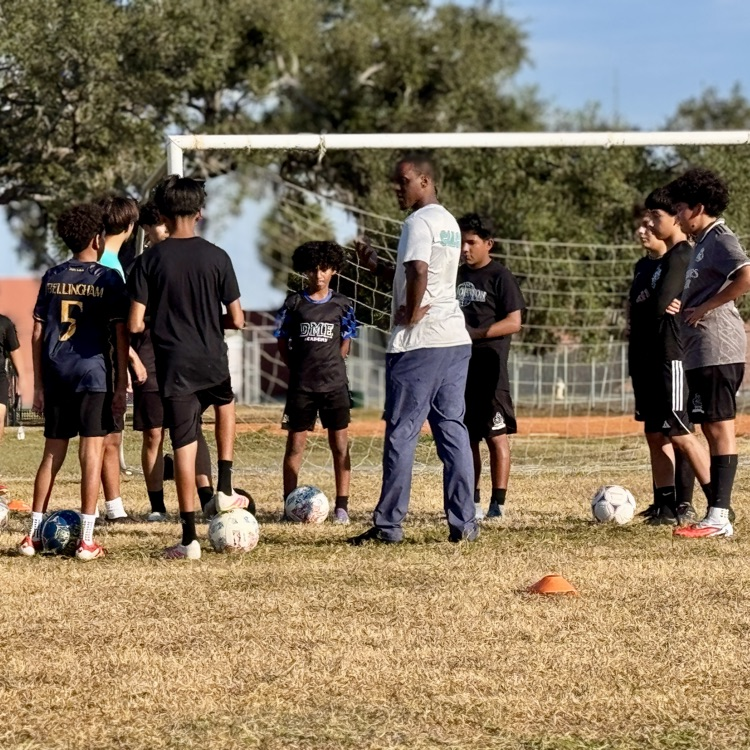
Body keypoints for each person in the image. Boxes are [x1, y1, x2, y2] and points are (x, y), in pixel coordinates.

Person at [349, 153, 478, 544]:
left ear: (424, 180)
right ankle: (464, 524)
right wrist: (378, 269)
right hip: (454, 340)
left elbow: (418, 271)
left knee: (402, 433)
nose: (396, 188)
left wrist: (408, 313)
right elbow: (421, 272)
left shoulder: (418, 222)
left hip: (419, 345)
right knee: (452, 432)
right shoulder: (449, 222)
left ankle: (388, 526)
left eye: (402, 181)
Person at [128, 175, 246, 559]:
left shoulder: (148, 261)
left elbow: (133, 323)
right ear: (200, 212)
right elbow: (239, 319)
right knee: (225, 404)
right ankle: (225, 487)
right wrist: (211, 324)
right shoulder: (218, 256)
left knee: (183, 442)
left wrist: (160, 321)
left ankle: (189, 537)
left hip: (174, 365)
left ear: (161, 213)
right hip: (213, 357)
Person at [19, 203, 128, 560]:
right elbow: (120, 332)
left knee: (52, 452)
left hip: (56, 373)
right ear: (98, 238)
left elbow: (37, 331)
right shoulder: (107, 279)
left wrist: (37, 383)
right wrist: (121, 377)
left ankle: (31, 537)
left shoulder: (52, 276)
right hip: (92, 373)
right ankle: (86, 539)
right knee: (91, 452)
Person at [665, 168, 750, 539]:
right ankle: (718, 513)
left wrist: (706, 308)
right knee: (713, 427)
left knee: (719, 429)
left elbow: (746, 275)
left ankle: (719, 516)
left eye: (681, 208)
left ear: (699, 207)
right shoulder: (702, 242)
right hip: (703, 350)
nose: (678, 216)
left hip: (719, 347)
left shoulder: (720, 237)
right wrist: (689, 304)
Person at [629, 193, 712, 526]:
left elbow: (661, 302)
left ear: (676, 218)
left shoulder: (682, 256)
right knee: (655, 433)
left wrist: (656, 302)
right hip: (647, 355)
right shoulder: (657, 262)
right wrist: (653, 303)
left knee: (680, 431)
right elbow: (643, 305)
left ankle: (717, 503)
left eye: (656, 215)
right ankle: (664, 505)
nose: (649, 223)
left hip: (671, 355)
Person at [131, 202, 216, 522]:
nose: (161, 231)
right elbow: (130, 322)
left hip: (187, 359)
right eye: (154, 226)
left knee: (193, 428)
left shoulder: (195, 260)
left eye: (163, 224)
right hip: (152, 361)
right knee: (153, 433)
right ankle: (157, 506)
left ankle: (207, 497)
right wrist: (133, 359)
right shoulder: (141, 265)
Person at [274, 241, 358, 524]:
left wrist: (335, 362)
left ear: (334, 270)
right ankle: (289, 506)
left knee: (340, 446)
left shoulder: (343, 305)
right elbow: (282, 341)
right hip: (302, 388)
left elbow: (346, 340)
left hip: (334, 386)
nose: (318, 275)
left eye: (324, 269)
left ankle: (342, 507)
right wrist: (296, 368)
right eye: (312, 270)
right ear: (305, 271)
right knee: (295, 446)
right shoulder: (294, 303)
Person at [456, 214, 524, 521]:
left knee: (496, 435)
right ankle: (473, 501)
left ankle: (499, 504)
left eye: (471, 242)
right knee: (467, 437)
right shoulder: (456, 276)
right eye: (460, 242)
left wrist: (478, 333)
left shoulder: (500, 276)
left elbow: (514, 322)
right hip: (459, 367)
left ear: (488, 244)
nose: (465, 249)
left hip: (490, 369)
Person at [95, 195, 141, 522]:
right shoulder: (111, 267)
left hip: (82, 362)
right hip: (106, 362)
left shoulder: (95, 259)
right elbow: (116, 327)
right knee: (108, 435)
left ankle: (114, 507)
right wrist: (133, 361)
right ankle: (111, 508)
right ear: (129, 227)